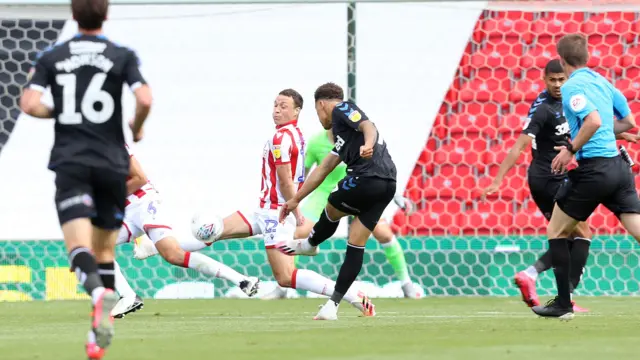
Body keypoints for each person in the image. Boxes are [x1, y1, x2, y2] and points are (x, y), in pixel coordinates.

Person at [19, 0, 152, 357]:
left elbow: (29, 104)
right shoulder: (122, 55)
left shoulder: (52, 56)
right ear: (105, 15)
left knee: (80, 248)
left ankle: (97, 293)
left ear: (73, 15)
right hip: (112, 163)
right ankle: (97, 335)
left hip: (71, 163)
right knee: (105, 250)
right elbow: (145, 98)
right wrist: (136, 130)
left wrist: (61, 111)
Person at [190, 89, 376, 317]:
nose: (277, 110)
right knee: (212, 231)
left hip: (275, 214)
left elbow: (286, 180)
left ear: (297, 111)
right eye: (275, 105)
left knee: (286, 277)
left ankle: (350, 294)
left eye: (284, 106)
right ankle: (162, 245)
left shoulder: (280, 138)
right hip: (263, 209)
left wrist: (295, 211)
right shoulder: (297, 135)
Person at [532, 34, 640, 320]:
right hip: (619, 168)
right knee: (637, 229)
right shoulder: (602, 81)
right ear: (587, 57)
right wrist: (616, 134)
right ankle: (564, 301)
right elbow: (628, 122)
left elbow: (592, 121)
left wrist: (570, 149)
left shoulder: (573, 87)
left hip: (593, 169)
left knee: (556, 231)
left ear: (562, 60)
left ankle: (563, 304)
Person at [481, 59, 598, 312]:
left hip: (556, 177)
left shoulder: (570, 101)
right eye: (552, 80)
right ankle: (565, 296)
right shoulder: (544, 109)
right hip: (547, 179)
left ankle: (531, 275)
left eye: (561, 80)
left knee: (566, 236)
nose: (557, 85)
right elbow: (519, 146)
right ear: (544, 80)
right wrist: (498, 179)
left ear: (567, 77)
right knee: (584, 234)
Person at [276, 83, 398, 321]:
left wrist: (368, 145)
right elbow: (323, 169)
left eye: (316, 111)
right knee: (355, 244)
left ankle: (311, 243)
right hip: (387, 184)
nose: (320, 119)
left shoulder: (341, 108)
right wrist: (295, 200)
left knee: (333, 202)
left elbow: (368, 126)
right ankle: (332, 305)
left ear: (321, 104)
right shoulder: (343, 140)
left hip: (367, 177)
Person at [262, 129, 419, 300]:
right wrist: (293, 200)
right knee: (299, 232)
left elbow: (380, 169)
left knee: (383, 234)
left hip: (357, 191)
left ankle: (406, 283)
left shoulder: (360, 137)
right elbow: (302, 175)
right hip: (324, 194)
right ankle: (284, 286)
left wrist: (397, 197)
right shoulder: (316, 142)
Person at [109, 144, 260, 318]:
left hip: (143, 204)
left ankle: (241, 280)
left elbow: (140, 178)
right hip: (123, 210)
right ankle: (128, 296)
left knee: (173, 255)